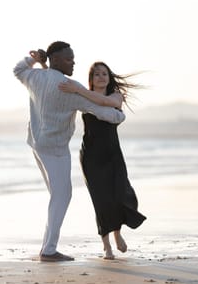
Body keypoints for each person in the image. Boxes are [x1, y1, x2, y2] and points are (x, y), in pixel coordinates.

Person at [13, 42, 126, 262]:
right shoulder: (69, 87)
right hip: (56, 151)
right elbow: (101, 111)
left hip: (36, 144)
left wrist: (35, 60)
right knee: (62, 196)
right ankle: (49, 250)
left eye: (73, 59)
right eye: (68, 59)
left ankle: (47, 247)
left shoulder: (35, 77)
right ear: (55, 59)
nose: (73, 63)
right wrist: (120, 116)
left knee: (57, 196)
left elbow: (18, 69)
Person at [58, 61, 146, 260]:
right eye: (96, 74)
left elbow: (106, 103)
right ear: (91, 79)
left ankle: (117, 233)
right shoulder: (82, 97)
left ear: (109, 77)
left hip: (113, 153)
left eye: (104, 73)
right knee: (101, 199)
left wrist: (79, 89)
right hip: (91, 156)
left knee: (121, 193)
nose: (101, 77)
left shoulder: (116, 96)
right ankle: (106, 245)